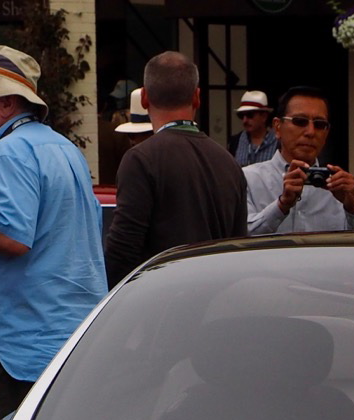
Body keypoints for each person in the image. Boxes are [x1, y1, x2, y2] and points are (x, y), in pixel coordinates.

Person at [0, 44, 108, 420]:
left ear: (7, 103)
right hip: (65, 346)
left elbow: (11, 233)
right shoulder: (63, 148)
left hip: (18, 352)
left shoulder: (10, 151)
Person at [104, 51, 248, 285]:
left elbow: (123, 250)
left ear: (144, 98)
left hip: (160, 298)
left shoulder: (141, 160)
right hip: (216, 297)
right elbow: (239, 249)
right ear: (197, 97)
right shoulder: (229, 164)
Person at [244, 87, 354, 236]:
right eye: (300, 121)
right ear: (277, 127)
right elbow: (238, 236)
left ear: (326, 133)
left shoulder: (338, 186)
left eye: (319, 124)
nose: (311, 132)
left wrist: (353, 207)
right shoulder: (249, 179)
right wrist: (281, 206)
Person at [233, 92, 279, 167]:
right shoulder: (235, 141)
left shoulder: (279, 142)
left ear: (264, 117)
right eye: (241, 116)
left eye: (250, 115)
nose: (244, 120)